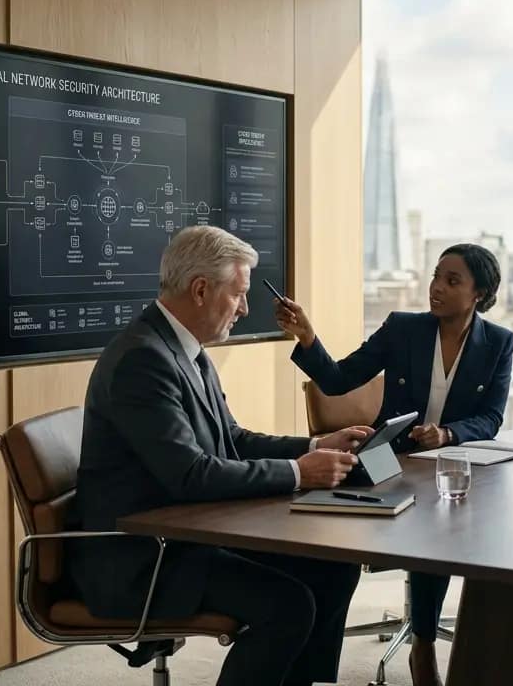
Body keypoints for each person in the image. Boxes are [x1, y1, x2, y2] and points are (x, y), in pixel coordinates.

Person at [70, 226, 370, 686]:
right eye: (239, 293)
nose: (245, 308)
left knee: (334, 566)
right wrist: (299, 473)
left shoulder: (184, 349)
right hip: (144, 558)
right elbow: (190, 474)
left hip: (187, 535)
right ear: (201, 290)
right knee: (287, 605)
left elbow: (232, 438)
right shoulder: (142, 360)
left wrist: (314, 447)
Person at [274, 243, 513, 686]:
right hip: (388, 454)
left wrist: (447, 434)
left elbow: (491, 417)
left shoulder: (498, 342)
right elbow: (338, 379)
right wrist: (307, 337)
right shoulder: (403, 328)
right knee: (430, 524)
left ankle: (423, 642)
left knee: (447, 517)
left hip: (450, 461)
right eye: (436, 276)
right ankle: (419, 645)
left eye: (452, 281)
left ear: (479, 293)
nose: (436, 287)